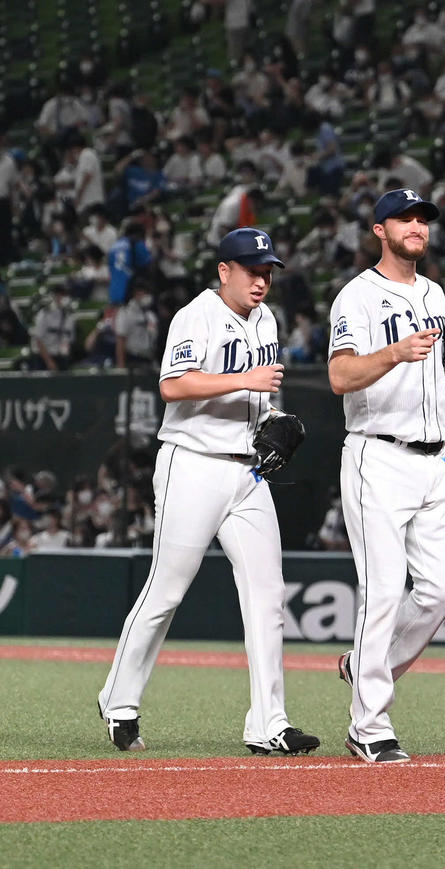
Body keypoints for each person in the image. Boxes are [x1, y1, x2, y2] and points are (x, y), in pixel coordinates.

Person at [96, 228, 319, 757]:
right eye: (251, 271)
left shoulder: (266, 319)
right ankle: (118, 700)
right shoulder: (196, 315)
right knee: (167, 591)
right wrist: (246, 381)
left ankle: (269, 723)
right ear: (224, 271)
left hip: (247, 473)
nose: (261, 281)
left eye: (267, 273)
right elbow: (173, 385)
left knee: (268, 594)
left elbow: (261, 395)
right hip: (192, 465)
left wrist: (278, 418)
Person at [328, 188, 445, 764]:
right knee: (383, 589)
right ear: (380, 230)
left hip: (434, 459)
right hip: (378, 454)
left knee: (443, 591)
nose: (416, 226)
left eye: (423, 219)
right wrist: (394, 352)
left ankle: (366, 666)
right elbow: (340, 376)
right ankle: (368, 725)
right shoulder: (357, 297)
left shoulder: (435, 294)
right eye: (404, 219)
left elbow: (437, 375)